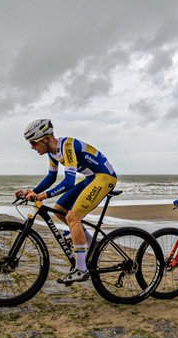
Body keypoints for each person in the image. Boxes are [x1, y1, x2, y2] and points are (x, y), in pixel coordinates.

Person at [16, 118, 117, 284]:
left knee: (72, 218)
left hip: (104, 178)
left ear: (47, 139)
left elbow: (69, 181)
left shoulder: (67, 146)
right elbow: (51, 177)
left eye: (34, 143)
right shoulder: (52, 152)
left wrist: (42, 196)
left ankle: (81, 269)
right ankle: (93, 244)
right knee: (60, 210)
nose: (32, 147)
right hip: (91, 178)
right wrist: (33, 192)